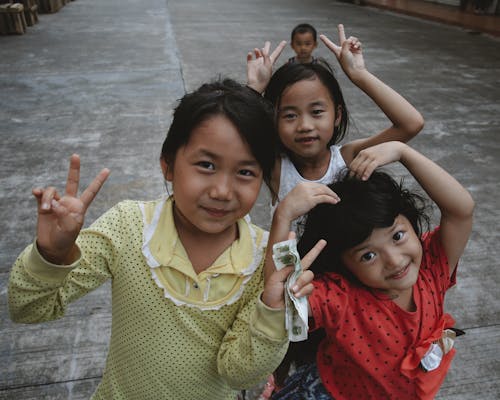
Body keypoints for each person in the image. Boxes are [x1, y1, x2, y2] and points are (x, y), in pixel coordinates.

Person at [8, 79, 325, 400]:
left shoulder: (264, 258)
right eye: (206, 165)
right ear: (168, 164)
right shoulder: (129, 227)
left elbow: (240, 372)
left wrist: (272, 308)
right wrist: (50, 254)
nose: (222, 191)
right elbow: (29, 308)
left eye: (245, 172)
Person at [269, 141, 475, 399]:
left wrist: (404, 152)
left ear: (412, 224)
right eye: (368, 255)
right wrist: (283, 217)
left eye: (398, 236)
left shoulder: (432, 268)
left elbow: (461, 210)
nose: (393, 260)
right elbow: (279, 296)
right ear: (344, 264)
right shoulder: (341, 297)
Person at [246, 24, 424, 236]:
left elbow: (410, 123)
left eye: (317, 112)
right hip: (292, 270)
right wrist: (254, 89)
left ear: (337, 116)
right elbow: (232, 137)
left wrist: (359, 74)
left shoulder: (347, 160)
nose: (305, 126)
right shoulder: (275, 167)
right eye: (290, 115)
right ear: (274, 120)